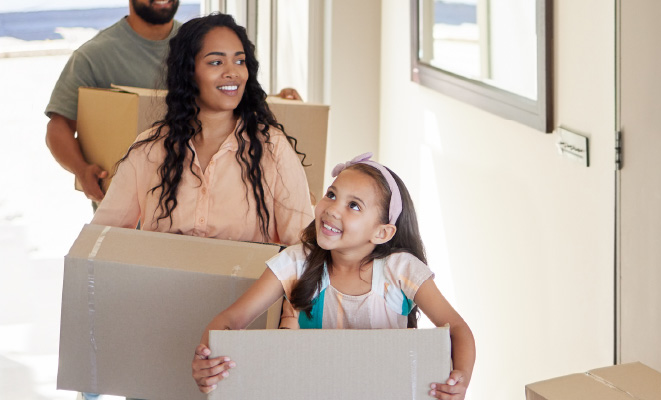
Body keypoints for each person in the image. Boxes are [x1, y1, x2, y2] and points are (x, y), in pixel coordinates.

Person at [190, 153, 477, 400]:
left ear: (382, 232)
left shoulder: (400, 270)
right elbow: (228, 322)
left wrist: (460, 379)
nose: (332, 209)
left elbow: (458, 330)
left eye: (353, 206)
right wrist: (207, 360)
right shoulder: (297, 262)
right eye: (331, 194)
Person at [44, 0, 301, 203]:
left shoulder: (200, 43)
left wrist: (279, 102)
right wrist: (81, 169)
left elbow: (233, 101)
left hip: (200, 207)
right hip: (129, 211)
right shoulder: (94, 56)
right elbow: (59, 125)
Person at [91, 13, 312, 245]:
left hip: (251, 283)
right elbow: (101, 240)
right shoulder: (148, 149)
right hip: (162, 282)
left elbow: (302, 251)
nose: (232, 72)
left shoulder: (273, 148)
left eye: (240, 61)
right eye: (216, 62)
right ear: (188, 72)